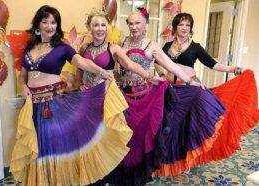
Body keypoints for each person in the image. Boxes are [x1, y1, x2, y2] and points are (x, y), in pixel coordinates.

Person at [91, 9, 226, 186]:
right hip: (122, 96)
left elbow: (170, 65)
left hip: (143, 98)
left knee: (140, 137)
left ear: (145, 24)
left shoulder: (152, 45)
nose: (133, 27)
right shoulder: (121, 42)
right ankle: (120, 171)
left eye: (137, 23)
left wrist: (189, 82)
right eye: (130, 23)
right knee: (122, 136)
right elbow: (116, 67)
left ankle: (138, 173)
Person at [9, 5, 135, 186]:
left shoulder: (62, 47)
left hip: (54, 103)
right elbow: (23, 75)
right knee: (39, 149)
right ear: (38, 24)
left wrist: (101, 72)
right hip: (33, 106)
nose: (49, 26)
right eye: (45, 22)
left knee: (56, 146)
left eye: (53, 22)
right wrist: (24, 86)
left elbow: (82, 62)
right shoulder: (30, 47)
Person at [154, 12, 259, 177]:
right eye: (181, 24)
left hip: (190, 90)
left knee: (188, 127)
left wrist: (235, 69)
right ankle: (166, 158)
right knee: (170, 126)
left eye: (188, 25)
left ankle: (187, 160)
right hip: (170, 90)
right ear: (175, 27)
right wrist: (161, 75)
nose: (184, 28)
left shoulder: (195, 47)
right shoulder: (167, 46)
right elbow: (157, 62)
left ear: (191, 29)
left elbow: (213, 64)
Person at [77, 9, 162, 90]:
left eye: (103, 25)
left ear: (107, 28)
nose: (100, 29)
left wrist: (149, 77)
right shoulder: (84, 48)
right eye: (96, 25)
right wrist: (80, 84)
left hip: (106, 94)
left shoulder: (114, 48)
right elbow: (79, 67)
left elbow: (130, 64)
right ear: (89, 27)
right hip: (87, 94)